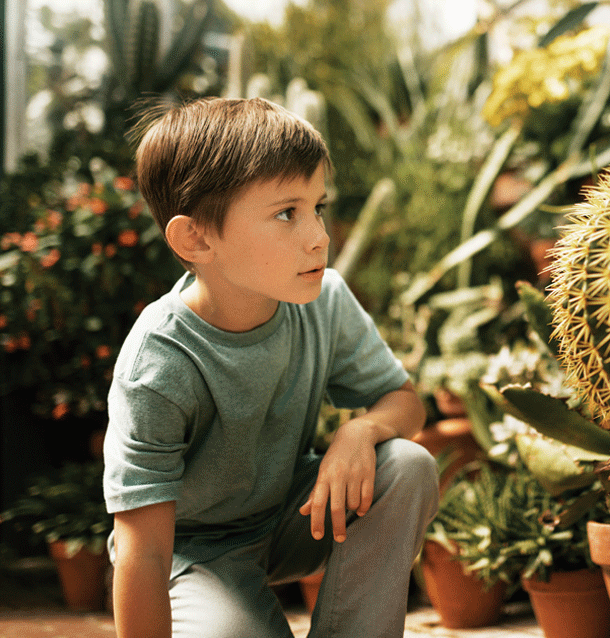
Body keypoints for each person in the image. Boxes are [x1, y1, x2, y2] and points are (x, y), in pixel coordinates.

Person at [103, 97, 439, 638]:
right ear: (196, 238)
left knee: (406, 465)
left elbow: (405, 402)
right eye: (287, 213)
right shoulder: (158, 362)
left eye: (317, 208)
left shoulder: (323, 298)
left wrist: (362, 429)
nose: (319, 237)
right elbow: (141, 554)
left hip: (292, 514)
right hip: (189, 554)